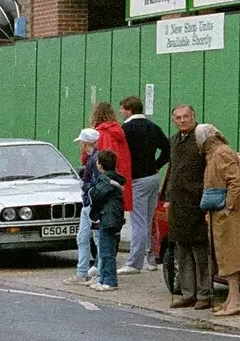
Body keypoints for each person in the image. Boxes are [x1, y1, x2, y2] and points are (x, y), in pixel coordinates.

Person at [196, 123, 240, 317]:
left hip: (229, 215)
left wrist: (228, 206)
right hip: (221, 213)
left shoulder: (221, 153)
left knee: (230, 256)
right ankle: (232, 298)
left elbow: (236, 181)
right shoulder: (215, 154)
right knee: (224, 255)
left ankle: (236, 301)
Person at [163, 104, 211, 309]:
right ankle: (188, 293)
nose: (182, 121)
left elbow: (210, 169)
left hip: (198, 202)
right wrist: (167, 197)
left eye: (186, 117)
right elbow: (172, 170)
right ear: (174, 120)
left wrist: (206, 196)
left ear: (194, 116)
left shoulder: (202, 138)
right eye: (178, 118)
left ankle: (204, 294)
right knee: (181, 252)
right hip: (178, 204)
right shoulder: (174, 141)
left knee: (200, 252)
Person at [119, 96, 170, 275]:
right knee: (149, 219)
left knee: (138, 221)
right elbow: (167, 148)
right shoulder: (153, 127)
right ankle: (150, 259)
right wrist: (157, 165)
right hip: (153, 177)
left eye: (122, 110)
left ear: (129, 110)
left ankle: (134, 263)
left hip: (137, 179)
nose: (121, 113)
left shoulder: (125, 129)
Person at [65, 128, 101, 287]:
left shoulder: (93, 160)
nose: (81, 145)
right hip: (90, 204)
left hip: (91, 204)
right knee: (87, 237)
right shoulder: (94, 158)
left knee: (90, 238)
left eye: (82, 142)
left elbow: (94, 182)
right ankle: (88, 271)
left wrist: (88, 192)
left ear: (86, 143)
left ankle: (87, 272)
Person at [88, 150, 127, 292]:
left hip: (108, 216)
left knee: (106, 250)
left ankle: (110, 280)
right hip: (113, 216)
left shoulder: (105, 179)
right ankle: (104, 279)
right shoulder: (114, 177)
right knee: (106, 249)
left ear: (100, 164)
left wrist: (91, 191)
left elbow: (99, 194)